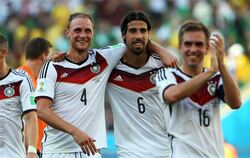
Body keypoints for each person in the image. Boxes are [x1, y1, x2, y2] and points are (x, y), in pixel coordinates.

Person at [35, 12, 177, 158]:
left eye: (87, 30)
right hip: (57, 151)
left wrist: (162, 51)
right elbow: (42, 110)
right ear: (67, 33)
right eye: (77, 30)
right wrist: (75, 132)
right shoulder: (52, 66)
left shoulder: (103, 58)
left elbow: (136, 40)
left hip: (91, 151)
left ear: (93, 34)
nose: (83, 35)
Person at [156, 20, 241, 158]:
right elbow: (171, 95)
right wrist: (209, 72)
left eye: (199, 44)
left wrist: (221, 66)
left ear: (207, 48)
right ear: (180, 47)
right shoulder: (167, 74)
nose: (193, 49)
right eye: (188, 44)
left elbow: (236, 103)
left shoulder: (217, 77)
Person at [106, 11, 170, 157]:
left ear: (149, 34)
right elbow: (84, 59)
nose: (139, 36)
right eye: (133, 31)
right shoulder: (110, 67)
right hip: (129, 152)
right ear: (123, 35)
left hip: (163, 150)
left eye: (143, 31)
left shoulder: (163, 65)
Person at [0, 34, 38, 158]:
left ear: (3, 52)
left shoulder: (20, 80)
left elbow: (31, 117)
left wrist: (32, 150)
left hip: (13, 154)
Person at [17, 37, 52, 155]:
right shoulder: (23, 79)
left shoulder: (35, 79)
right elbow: (27, 117)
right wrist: (30, 149)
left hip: (37, 147)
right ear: (43, 56)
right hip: (27, 149)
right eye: (49, 56)